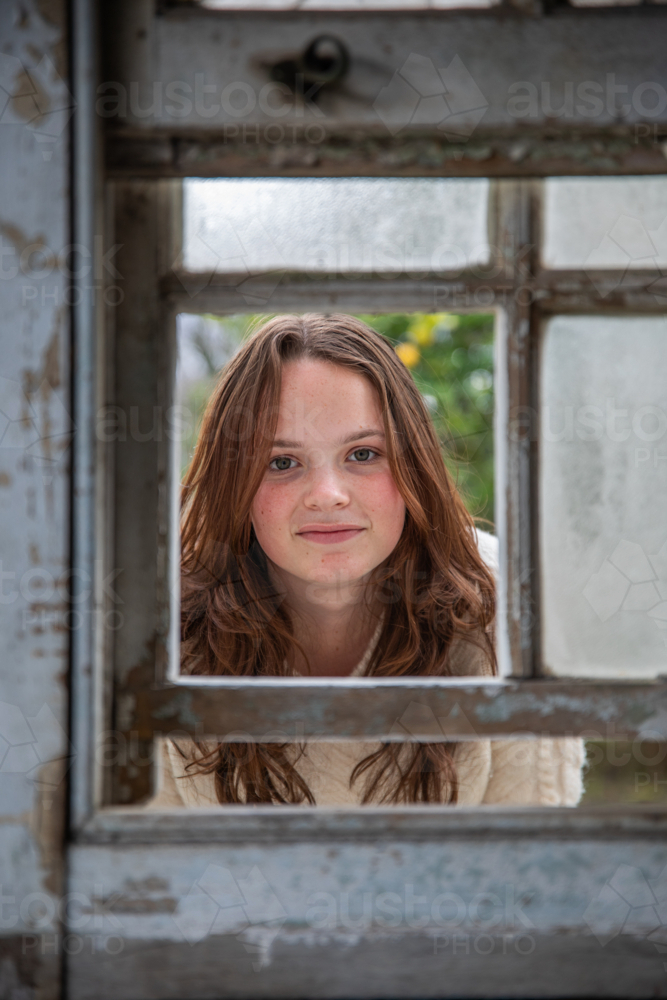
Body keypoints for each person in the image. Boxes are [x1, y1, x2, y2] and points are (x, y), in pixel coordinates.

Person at [147, 314, 583, 808]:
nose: (327, 496)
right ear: (235, 485)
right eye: (281, 462)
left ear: (412, 463)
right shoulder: (162, 625)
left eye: (363, 454)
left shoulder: (508, 607)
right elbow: (143, 865)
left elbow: (531, 859)